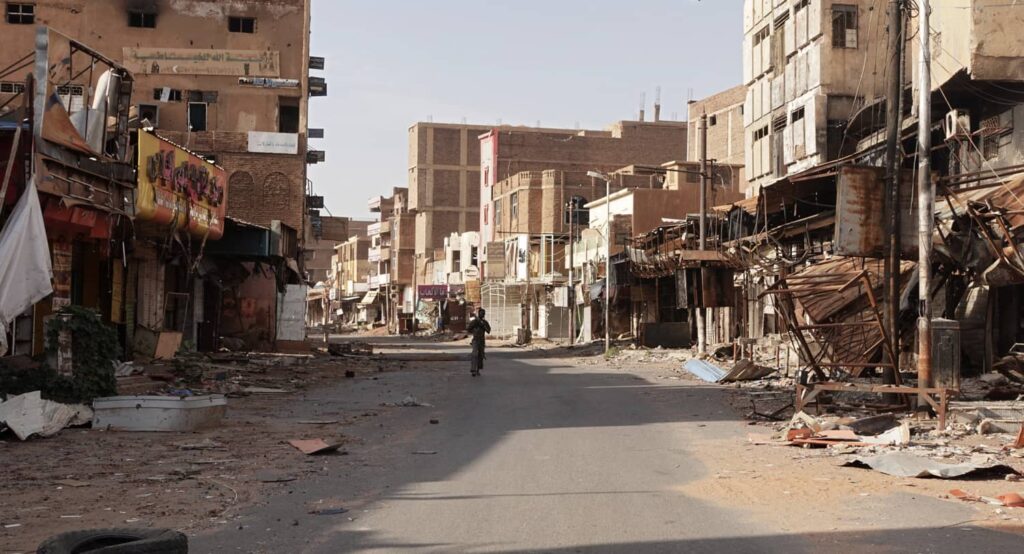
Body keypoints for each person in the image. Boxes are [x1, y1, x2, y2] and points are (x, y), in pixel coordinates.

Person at [466, 308, 491, 377]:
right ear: (478, 314)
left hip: (482, 340)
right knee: (474, 354)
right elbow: (468, 329)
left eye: (483, 313)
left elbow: (488, 331)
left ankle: (477, 370)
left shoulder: (485, 322)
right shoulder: (474, 321)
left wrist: (483, 325)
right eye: (481, 313)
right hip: (475, 340)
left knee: (480, 355)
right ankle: (473, 370)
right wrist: (474, 328)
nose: (482, 314)